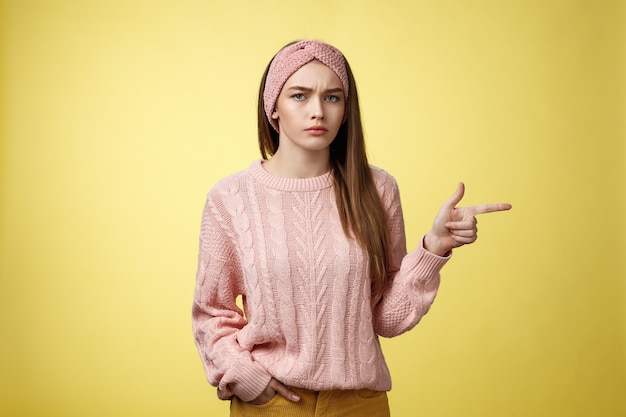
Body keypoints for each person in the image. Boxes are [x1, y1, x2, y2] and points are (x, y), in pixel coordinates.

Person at [192, 39, 511, 417]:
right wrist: (241, 374)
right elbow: (212, 312)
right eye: (299, 95)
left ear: (346, 110)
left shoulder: (377, 190)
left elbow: (385, 318)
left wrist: (434, 248)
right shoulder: (230, 199)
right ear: (272, 107)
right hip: (270, 404)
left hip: (359, 404)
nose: (317, 111)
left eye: (332, 97)